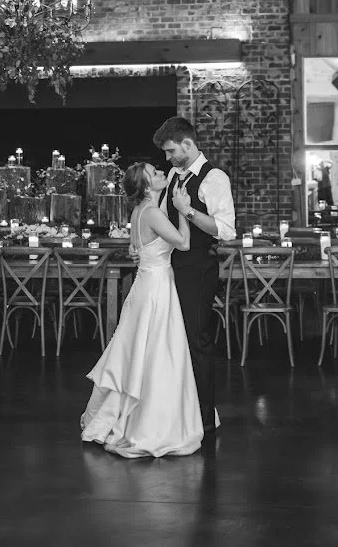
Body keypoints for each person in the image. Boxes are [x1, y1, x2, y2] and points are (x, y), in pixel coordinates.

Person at [80, 161, 203, 458]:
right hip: (156, 288)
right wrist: (183, 209)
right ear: (147, 185)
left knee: (143, 351)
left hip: (146, 285)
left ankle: (134, 411)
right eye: (155, 173)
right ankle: (150, 423)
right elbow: (183, 244)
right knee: (158, 351)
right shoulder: (153, 212)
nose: (161, 173)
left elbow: (142, 248)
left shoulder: (140, 211)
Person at [152, 116, 236, 434]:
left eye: (172, 150)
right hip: (170, 268)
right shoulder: (175, 174)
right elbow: (163, 218)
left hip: (199, 269)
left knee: (196, 339)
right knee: (174, 339)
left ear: (188, 144)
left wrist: (187, 210)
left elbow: (225, 230)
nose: (168, 158)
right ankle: (178, 411)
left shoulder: (215, 178)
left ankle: (202, 417)